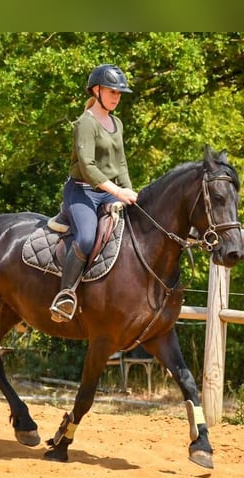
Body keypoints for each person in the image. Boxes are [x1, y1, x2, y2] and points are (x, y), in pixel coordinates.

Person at [48, 64, 139, 323]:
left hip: (110, 192)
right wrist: (118, 191)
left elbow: (120, 164)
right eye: (112, 92)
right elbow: (87, 168)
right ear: (96, 90)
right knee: (87, 238)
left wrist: (129, 191)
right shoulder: (85, 123)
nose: (116, 97)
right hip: (82, 192)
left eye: (119, 93)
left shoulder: (116, 122)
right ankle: (65, 295)